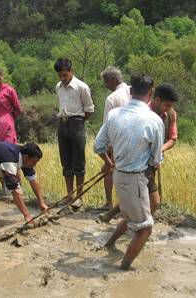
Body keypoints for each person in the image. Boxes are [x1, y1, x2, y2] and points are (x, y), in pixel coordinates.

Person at [94, 74, 164, 270]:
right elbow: (156, 160)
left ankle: (109, 244)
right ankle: (124, 267)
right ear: (151, 94)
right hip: (136, 179)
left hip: (118, 175)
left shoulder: (114, 115)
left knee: (130, 215)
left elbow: (98, 146)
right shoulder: (154, 120)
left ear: (131, 92)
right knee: (145, 228)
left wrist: (109, 163)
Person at [99, 83, 179, 223]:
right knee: (152, 200)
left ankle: (120, 220)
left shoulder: (171, 114)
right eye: (166, 105)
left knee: (137, 195)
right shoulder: (141, 112)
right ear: (156, 99)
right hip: (137, 162)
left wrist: (159, 148)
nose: (168, 109)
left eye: (170, 106)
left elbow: (173, 139)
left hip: (152, 161)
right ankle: (141, 228)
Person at [54, 58, 94, 209]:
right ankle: (69, 195)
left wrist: (78, 121)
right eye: (60, 76)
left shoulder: (81, 87)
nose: (62, 79)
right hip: (62, 124)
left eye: (65, 75)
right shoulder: (58, 87)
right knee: (66, 162)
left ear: (71, 71)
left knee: (79, 161)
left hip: (77, 123)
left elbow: (89, 110)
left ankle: (79, 197)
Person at [100, 66, 131, 210]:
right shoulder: (133, 92)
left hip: (116, 142)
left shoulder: (112, 98)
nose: (106, 86)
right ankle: (126, 205)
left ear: (113, 79)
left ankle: (109, 203)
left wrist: (107, 150)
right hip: (134, 142)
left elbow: (107, 126)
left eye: (106, 82)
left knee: (109, 170)